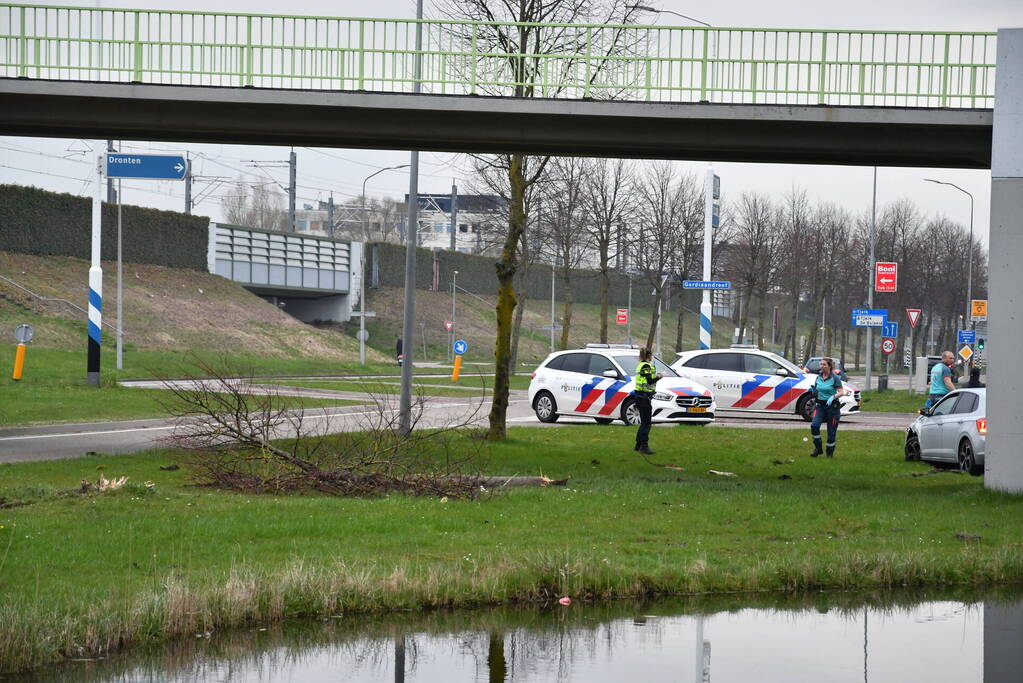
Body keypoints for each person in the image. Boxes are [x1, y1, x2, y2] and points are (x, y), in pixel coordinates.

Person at [809, 357, 847, 458]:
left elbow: (841, 392)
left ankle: (829, 454)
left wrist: (833, 397)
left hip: (832, 408)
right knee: (814, 426)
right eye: (821, 364)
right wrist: (814, 391)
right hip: (820, 407)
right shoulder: (818, 377)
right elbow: (817, 389)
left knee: (831, 432)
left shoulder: (835, 378)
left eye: (824, 364)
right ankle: (818, 448)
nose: (822, 366)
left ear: (829, 366)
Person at [633, 347, 662, 455]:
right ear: (649, 355)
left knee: (644, 423)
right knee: (646, 423)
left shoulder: (641, 365)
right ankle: (643, 446)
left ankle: (638, 445)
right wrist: (659, 376)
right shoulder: (646, 366)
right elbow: (649, 381)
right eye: (651, 355)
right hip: (643, 397)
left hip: (640, 396)